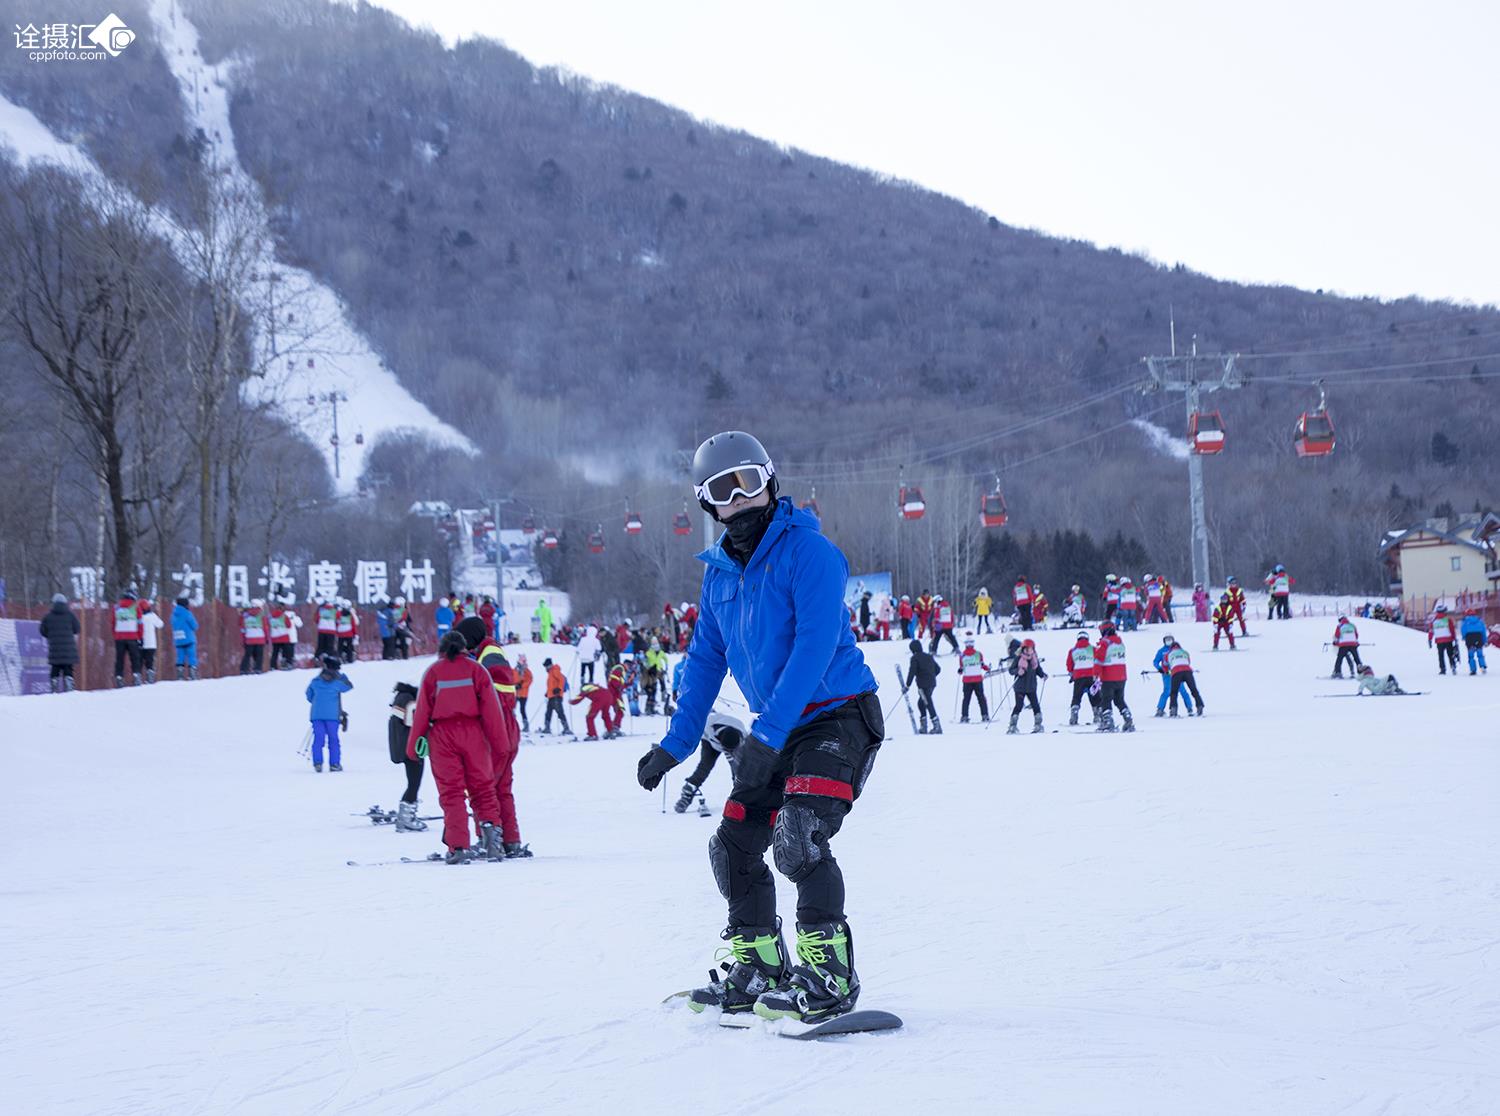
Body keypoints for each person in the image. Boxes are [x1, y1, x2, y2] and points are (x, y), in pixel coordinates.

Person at [635, 430, 882, 1025]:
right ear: (707, 503)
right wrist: (676, 742)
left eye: (750, 480)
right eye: (725, 488)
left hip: (837, 715)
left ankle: (829, 975)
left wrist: (767, 734)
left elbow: (815, 645)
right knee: (734, 845)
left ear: (770, 480)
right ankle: (760, 967)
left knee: (797, 835)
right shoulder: (719, 575)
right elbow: (703, 661)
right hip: (779, 731)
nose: (741, 497)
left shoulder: (810, 554)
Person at [405, 632, 508, 863]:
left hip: (442, 736)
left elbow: (421, 712)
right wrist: (500, 744)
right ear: (464, 648)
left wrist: (412, 748)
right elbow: (491, 711)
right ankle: (493, 842)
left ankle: (458, 847)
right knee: (482, 788)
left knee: (451, 793)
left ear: (442, 649)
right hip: (473, 734)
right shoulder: (477, 670)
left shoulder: (433, 673)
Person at [458, 616, 530, 858]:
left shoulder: (490, 655)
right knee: (501, 787)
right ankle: (510, 839)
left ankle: (489, 838)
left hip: (498, 729)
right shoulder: (487, 653)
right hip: (505, 729)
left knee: (482, 786)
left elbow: (501, 695)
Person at [673, 710, 747, 813]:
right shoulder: (709, 727)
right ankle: (688, 791)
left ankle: (741, 795)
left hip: (731, 740)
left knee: (739, 768)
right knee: (705, 765)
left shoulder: (742, 733)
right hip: (709, 740)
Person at [387, 681, 428, 831]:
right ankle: (406, 817)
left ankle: (406, 814)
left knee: (413, 782)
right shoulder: (410, 700)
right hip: (411, 747)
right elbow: (414, 723)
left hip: (402, 746)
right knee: (414, 783)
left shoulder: (400, 697)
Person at [305, 653, 353, 772]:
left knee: (318, 739)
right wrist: (342, 676)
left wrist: (318, 703)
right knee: (333, 740)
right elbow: (349, 686)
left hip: (317, 715)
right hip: (332, 716)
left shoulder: (315, 681)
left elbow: (309, 696)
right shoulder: (337, 683)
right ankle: (334, 764)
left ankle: (318, 763)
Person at [1093, 620, 1134, 733]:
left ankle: (1107, 722)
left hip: (1108, 677)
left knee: (1106, 700)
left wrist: (1095, 675)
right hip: (1121, 676)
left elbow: (1098, 660)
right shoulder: (1120, 643)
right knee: (1119, 700)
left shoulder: (1104, 643)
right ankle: (1128, 718)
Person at [39, 593, 79, 692]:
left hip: (54, 648)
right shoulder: (71, 615)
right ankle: (69, 681)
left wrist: (51, 635)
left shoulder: (48, 617)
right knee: (68, 667)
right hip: (68, 649)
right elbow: (77, 628)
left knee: (55, 667)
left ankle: (54, 682)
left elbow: (42, 630)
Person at [1007, 638, 1046, 734]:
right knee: (1019, 706)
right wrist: (1017, 671)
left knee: (1035, 705)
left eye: (1031, 648)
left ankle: (1038, 725)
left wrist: (1043, 675)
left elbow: (1038, 670)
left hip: (1031, 687)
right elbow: (1011, 670)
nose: (1029, 651)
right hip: (1020, 687)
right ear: (1023, 648)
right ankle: (1012, 726)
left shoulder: (1034, 659)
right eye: (1027, 648)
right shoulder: (1018, 658)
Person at [903, 638, 941, 734]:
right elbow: (938, 669)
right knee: (921, 703)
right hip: (932, 684)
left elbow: (912, 672)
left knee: (927, 703)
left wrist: (907, 685)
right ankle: (924, 726)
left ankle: (937, 726)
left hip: (923, 685)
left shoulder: (915, 658)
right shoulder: (928, 656)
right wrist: (931, 675)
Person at [571, 670, 624, 740]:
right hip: (609, 696)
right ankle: (610, 732)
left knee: (589, 717)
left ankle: (592, 734)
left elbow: (579, 697)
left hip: (599, 699)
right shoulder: (596, 686)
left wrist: (571, 702)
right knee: (606, 715)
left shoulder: (585, 687)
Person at [1153, 634, 1194, 716]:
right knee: (1167, 691)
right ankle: (1160, 709)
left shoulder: (1178, 650)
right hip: (1167, 674)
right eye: (1167, 639)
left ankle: (1189, 708)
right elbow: (1155, 661)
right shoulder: (1161, 651)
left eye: (1170, 639)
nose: (1168, 641)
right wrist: (1160, 668)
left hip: (1177, 673)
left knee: (1182, 691)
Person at [112, 589, 145, 687]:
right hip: (132, 636)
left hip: (119, 637)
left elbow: (113, 623)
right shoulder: (136, 607)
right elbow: (140, 623)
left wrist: (115, 635)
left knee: (119, 659)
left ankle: (119, 677)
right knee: (135, 658)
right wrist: (140, 636)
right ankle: (136, 676)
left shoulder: (116, 607)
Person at [1065, 631, 1098, 726]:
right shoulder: (1093, 649)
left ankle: (1074, 716)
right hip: (1092, 676)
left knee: (1076, 697)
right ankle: (1097, 715)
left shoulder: (1073, 650)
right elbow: (1098, 661)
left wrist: (1071, 673)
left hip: (1079, 677)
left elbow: (1069, 664)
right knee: (1095, 696)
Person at [1165, 640, 1204, 717]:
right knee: (1194, 690)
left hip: (1176, 672)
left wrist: (1167, 671)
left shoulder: (1168, 654)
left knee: (1174, 692)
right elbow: (1188, 662)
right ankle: (1200, 706)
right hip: (1188, 671)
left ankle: (1173, 710)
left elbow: (1165, 664)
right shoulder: (1185, 652)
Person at [957, 634, 990, 724]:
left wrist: (960, 671)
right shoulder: (978, 654)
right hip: (978, 679)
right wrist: (988, 668)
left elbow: (961, 668)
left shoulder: (962, 655)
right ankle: (985, 715)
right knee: (981, 698)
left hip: (967, 680)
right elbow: (983, 665)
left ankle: (964, 716)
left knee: (966, 699)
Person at [540, 657, 573, 735]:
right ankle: (547, 728)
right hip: (551, 696)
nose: (545, 667)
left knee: (560, 712)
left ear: (550, 665)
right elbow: (552, 685)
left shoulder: (555, 671)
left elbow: (561, 680)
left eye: (546, 666)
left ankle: (566, 728)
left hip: (556, 696)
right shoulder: (551, 673)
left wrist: (559, 688)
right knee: (548, 712)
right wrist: (547, 693)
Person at [268, 600, 300, 670]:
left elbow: (269, 624)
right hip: (283, 636)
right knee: (286, 652)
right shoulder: (284, 616)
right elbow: (289, 625)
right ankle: (286, 665)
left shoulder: (271, 616)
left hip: (274, 637)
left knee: (275, 652)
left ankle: (273, 666)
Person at [172, 597, 199, 680]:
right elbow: (195, 626)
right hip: (189, 638)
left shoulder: (173, 614)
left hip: (178, 638)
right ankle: (192, 673)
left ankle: (180, 674)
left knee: (180, 656)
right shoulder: (187, 613)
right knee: (191, 655)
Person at [1428, 604, 1459, 675]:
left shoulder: (1433, 621)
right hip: (1448, 640)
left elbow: (1431, 631)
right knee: (1450, 654)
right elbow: (1452, 630)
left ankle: (1442, 669)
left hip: (1439, 641)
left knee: (1441, 655)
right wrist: (1454, 638)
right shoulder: (1448, 620)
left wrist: (1430, 639)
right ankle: (1453, 666)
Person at [238, 600, 267, 674]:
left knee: (247, 654)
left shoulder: (245, 616)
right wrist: (266, 638)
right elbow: (265, 627)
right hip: (260, 637)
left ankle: (244, 669)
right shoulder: (261, 615)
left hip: (249, 637)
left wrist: (244, 638)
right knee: (259, 655)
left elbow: (242, 627)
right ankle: (257, 668)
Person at [138, 600, 164, 683]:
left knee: (139, 661)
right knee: (150, 661)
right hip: (151, 644)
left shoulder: (138, 617)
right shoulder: (152, 616)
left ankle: (138, 677)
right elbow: (160, 624)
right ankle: (150, 676)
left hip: (140, 643)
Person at [1461, 609, 1489, 675]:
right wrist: (1485, 640)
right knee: (1480, 652)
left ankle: (1473, 669)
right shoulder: (1479, 620)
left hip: (1469, 637)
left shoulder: (1465, 621)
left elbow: (1463, 630)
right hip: (1478, 637)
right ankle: (1482, 666)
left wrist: (1464, 637)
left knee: (1471, 654)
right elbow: (1483, 631)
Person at [514, 653, 534, 731]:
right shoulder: (515, 670)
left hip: (523, 694)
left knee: (522, 709)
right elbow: (512, 678)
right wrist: (516, 684)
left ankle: (526, 725)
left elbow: (530, 680)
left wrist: (522, 685)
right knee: (513, 709)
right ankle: (512, 725)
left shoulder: (527, 671)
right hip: (516, 693)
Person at [335, 598, 358, 663]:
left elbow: (336, 623)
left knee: (340, 647)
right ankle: (349, 659)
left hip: (340, 633)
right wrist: (355, 633)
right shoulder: (350, 614)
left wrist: (336, 632)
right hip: (349, 633)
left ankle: (339, 658)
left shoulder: (338, 614)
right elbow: (353, 625)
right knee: (349, 647)